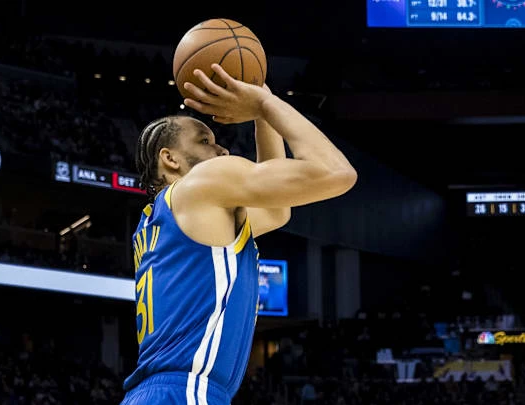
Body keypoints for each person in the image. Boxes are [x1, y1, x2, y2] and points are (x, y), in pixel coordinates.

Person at [120, 64, 357, 405]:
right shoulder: (201, 183)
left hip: (158, 393)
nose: (223, 152)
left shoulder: (161, 220)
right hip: (187, 392)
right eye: (205, 141)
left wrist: (263, 113)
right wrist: (264, 104)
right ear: (169, 159)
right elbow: (336, 173)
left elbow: (278, 209)